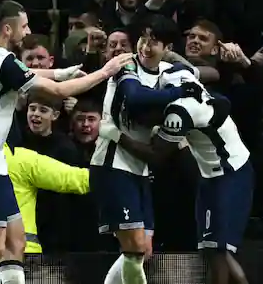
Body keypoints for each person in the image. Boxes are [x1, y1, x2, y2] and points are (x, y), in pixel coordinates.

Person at [0, 0, 132, 284]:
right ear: (8, 30)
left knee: (16, 242)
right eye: (23, 27)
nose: (26, 32)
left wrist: (61, 71)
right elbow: (58, 93)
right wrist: (106, 71)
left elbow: (25, 73)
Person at [99, 63, 252, 284]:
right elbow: (209, 72)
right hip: (210, 175)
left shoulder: (180, 112)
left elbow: (155, 156)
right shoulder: (182, 81)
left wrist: (115, 134)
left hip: (230, 174)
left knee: (220, 251)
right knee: (210, 251)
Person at [90, 15, 206, 284]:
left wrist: (187, 86)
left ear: (167, 48)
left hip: (140, 168)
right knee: (133, 249)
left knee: (143, 250)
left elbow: (198, 83)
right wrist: (178, 94)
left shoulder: (169, 72)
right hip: (112, 164)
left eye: (154, 41)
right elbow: (136, 98)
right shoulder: (125, 64)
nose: (145, 46)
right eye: (143, 39)